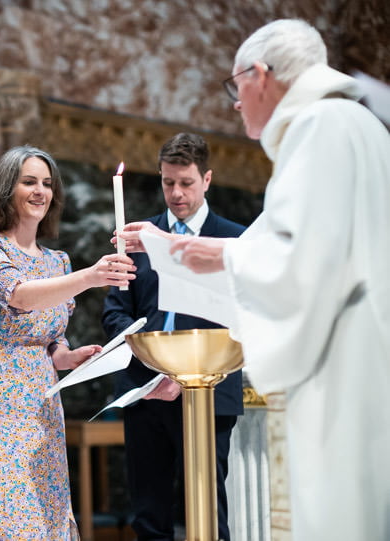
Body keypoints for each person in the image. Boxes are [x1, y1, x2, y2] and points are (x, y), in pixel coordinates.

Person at [123, 19, 390, 541]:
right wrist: (194, 251)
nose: (237, 102)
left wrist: (220, 258)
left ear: (260, 75)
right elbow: (288, 245)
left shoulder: (320, 127)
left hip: (344, 357)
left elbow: (303, 264)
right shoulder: (350, 123)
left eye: (235, 86)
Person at [0, 145, 136, 540]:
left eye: (46, 183)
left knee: (42, 517)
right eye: (29, 182)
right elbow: (20, 296)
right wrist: (92, 276)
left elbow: (50, 339)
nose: (40, 191)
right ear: (7, 189)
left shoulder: (57, 261)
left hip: (40, 406)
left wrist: (69, 355)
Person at [102, 133, 245, 541]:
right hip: (145, 390)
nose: (176, 193)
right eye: (168, 183)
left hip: (209, 392)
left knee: (207, 512)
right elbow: (116, 310)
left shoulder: (236, 241)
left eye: (186, 182)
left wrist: (184, 373)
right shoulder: (137, 239)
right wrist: (150, 367)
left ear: (207, 179)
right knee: (148, 515)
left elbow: (241, 317)